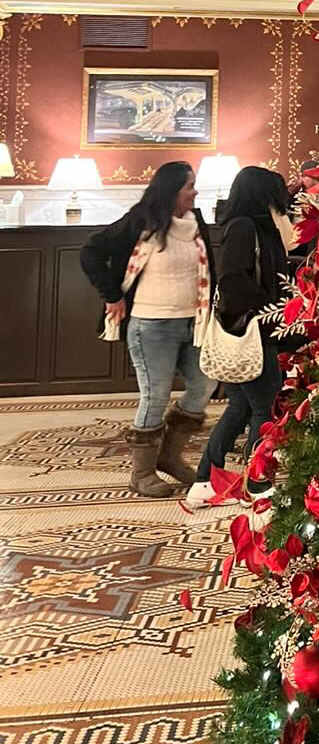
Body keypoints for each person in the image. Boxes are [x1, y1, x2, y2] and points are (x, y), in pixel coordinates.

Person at [80, 159, 213, 497]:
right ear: (171, 190)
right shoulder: (141, 220)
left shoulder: (197, 223)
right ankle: (141, 474)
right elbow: (91, 251)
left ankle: (169, 456)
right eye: (189, 186)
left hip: (193, 323)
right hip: (151, 325)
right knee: (156, 396)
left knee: (203, 385)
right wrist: (112, 295)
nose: (194, 192)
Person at [181, 167, 298, 515]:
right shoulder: (245, 227)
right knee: (264, 407)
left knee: (240, 408)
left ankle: (204, 481)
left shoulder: (260, 227)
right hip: (251, 333)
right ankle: (259, 484)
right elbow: (233, 281)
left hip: (254, 331)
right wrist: (271, 309)